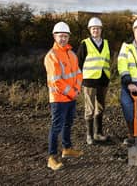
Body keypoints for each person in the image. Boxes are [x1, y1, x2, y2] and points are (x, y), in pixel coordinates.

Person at [44, 21, 83, 171]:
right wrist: (73, 93)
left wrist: (77, 89)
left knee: (68, 124)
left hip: (71, 97)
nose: (63, 39)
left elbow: (78, 73)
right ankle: (52, 158)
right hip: (59, 99)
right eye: (60, 36)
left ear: (68, 37)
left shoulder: (72, 54)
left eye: (65, 36)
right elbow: (57, 81)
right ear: (54, 36)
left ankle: (67, 149)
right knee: (56, 127)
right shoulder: (51, 56)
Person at [77, 17, 110, 145]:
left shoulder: (106, 43)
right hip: (89, 81)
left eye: (98, 28)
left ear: (101, 30)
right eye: (93, 28)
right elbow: (78, 63)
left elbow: (107, 61)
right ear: (90, 30)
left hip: (103, 81)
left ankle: (98, 133)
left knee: (100, 107)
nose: (95, 30)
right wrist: (79, 80)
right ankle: (89, 135)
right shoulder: (85, 43)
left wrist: (108, 77)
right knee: (89, 108)